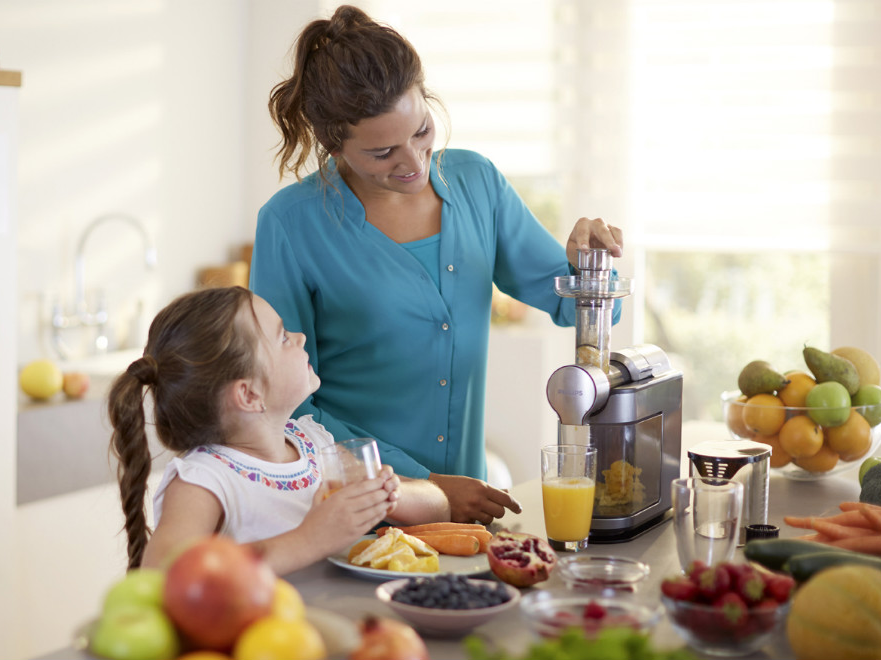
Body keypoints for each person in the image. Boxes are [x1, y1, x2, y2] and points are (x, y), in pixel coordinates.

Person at [251, 5, 624, 525]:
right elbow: (285, 407)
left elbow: (581, 312)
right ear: (334, 145)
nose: (413, 163)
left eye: (421, 131)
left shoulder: (478, 184)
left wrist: (591, 263)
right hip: (353, 509)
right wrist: (421, 486)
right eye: (382, 153)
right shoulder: (290, 224)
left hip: (468, 515)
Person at [108, 286, 450, 573]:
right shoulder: (204, 480)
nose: (301, 337)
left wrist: (391, 495)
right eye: (284, 337)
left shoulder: (313, 444)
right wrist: (310, 539)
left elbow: (440, 508)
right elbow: (165, 574)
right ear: (249, 394)